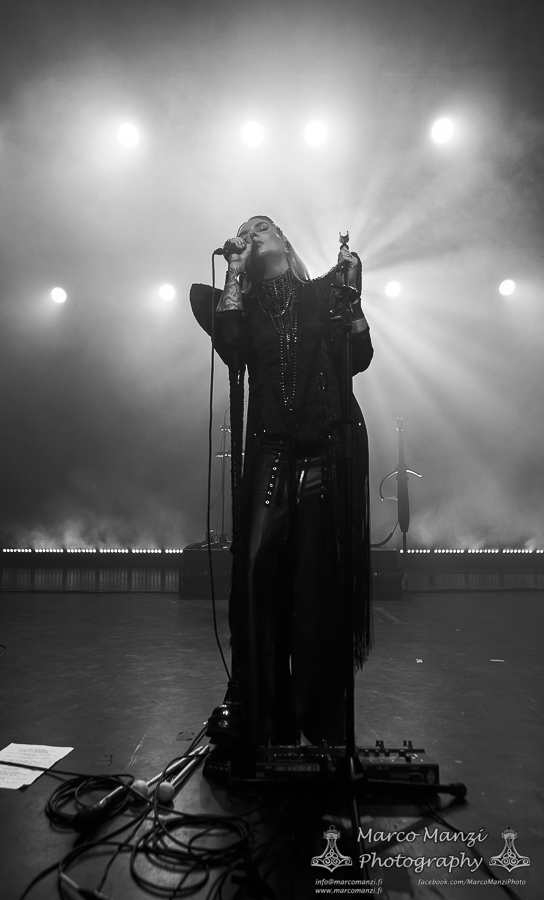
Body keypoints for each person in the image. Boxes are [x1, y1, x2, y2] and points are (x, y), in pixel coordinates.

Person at [190, 216, 373, 747]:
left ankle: (320, 720)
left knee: (316, 584)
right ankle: (263, 714)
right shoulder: (241, 307)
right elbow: (230, 346)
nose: (252, 234)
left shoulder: (321, 295)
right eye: (245, 231)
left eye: (262, 227)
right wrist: (234, 271)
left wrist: (353, 298)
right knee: (255, 573)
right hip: (271, 449)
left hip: (322, 449)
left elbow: (358, 358)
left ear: (286, 244)